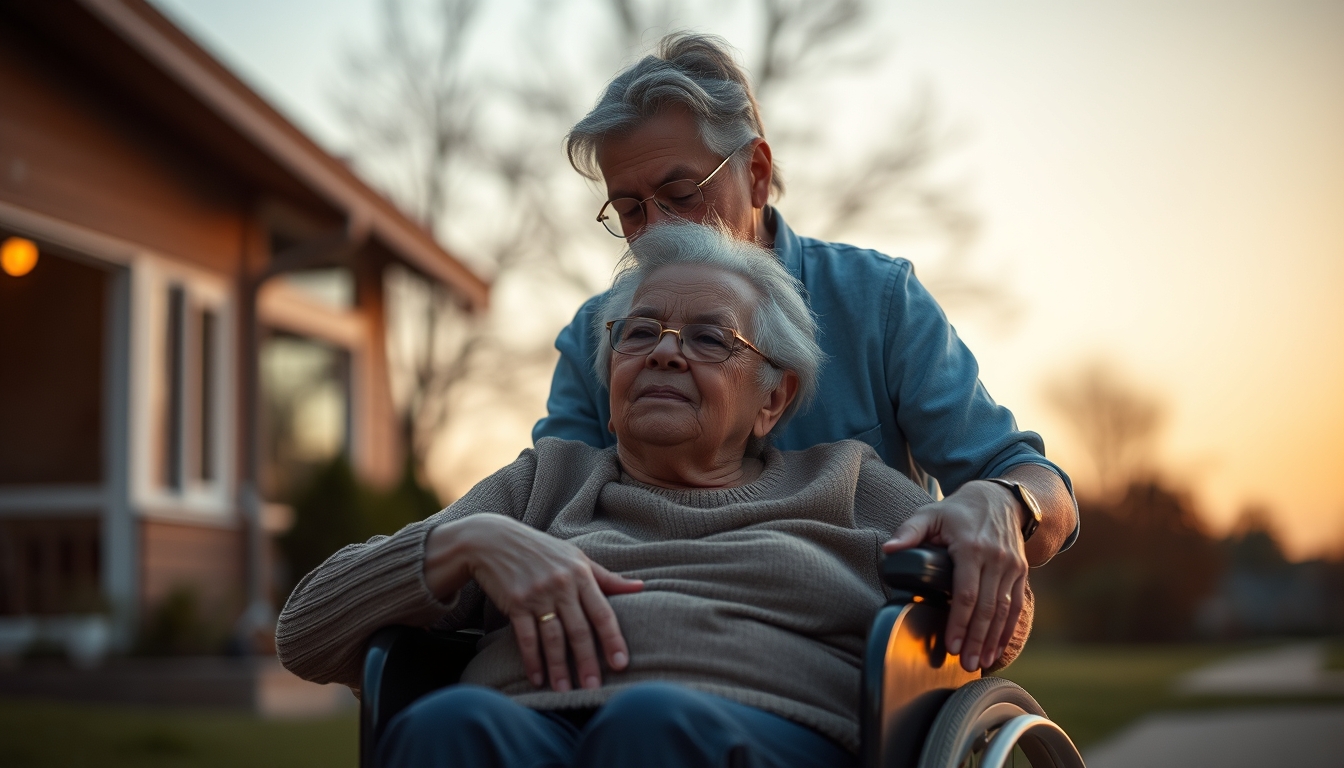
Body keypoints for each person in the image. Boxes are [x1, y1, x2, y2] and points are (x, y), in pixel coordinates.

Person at [276, 223, 1033, 768]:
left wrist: (985, 524)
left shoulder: (847, 483)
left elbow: (1002, 622)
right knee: (446, 727)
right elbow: (305, 632)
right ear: (609, 381)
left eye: (709, 339)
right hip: (528, 726)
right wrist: (465, 542)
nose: (665, 352)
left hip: (761, 734)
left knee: (651, 726)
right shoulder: (546, 483)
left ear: (773, 400)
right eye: (639, 334)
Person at [533, 33, 1077, 671]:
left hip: (846, 671)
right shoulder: (597, 335)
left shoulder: (876, 302)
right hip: (647, 651)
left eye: (681, 196)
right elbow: (549, 507)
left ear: (757, 174)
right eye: (629, 209)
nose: (656, 230)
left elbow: (1038, 486)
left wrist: (1007, 504)